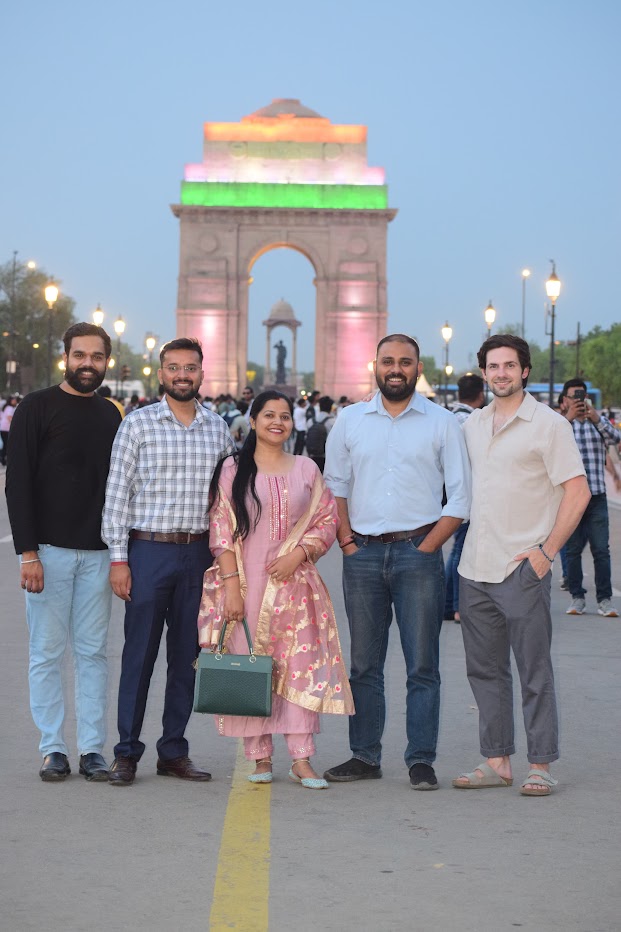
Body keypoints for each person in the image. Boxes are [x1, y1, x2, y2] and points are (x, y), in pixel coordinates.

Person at [323, 334, 471, 789]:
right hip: (362, 554)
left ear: (417, 368)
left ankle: (421, 758)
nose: (395, 369)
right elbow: (335, 489)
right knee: (364, 665)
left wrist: (427, 547)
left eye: (405, 362)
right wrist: (347, 542)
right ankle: (364, 755)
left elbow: (461, 498)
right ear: (375, 365)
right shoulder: (349, 421)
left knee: (421, 664)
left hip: (417, 554)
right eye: (388, 361)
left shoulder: (443, 423)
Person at [454, 335, 590, 797]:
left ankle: (539, 764)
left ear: (525, 371)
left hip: (522, 566)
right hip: (475, 565)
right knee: (484, 671)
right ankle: (496, 760)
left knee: (533, 670)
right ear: (484, 372)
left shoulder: (549, 425)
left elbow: (578, 491)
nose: (501, 374)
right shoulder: (472, 425)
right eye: (493, 367)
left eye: (510, 366)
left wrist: (546, 552)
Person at [199, 391, 353, 788]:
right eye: (269, 415)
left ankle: (302, 759)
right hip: (247, 587)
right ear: (253, 422)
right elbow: (221, 529)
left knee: (298, 669)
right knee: (253, 668)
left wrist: (300, 553)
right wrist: (231, 588)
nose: (278, 422)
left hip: (296, 587)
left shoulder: (305, 469)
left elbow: (325, 519)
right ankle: (260, 757)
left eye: (285, 416)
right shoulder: (234, 470)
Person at [102, 337, 235, 786]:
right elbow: (116, 497)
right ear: (161, 374)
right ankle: (126, 752)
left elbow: (226, 504)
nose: (182, 374)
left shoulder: (218, 429)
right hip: (148, 551)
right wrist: (119, 560)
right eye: (174, 367)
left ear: (202, 372)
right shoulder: (137, 425)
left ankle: (173, 750)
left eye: (190, 367)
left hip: (198, 554)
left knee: (186, 657)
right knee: (138, 656)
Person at [5, 323, 121, 781]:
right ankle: (53, 747)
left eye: (96, 356)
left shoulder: (112, 416)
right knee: (47, 653)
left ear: (106, 362)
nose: (87, 364)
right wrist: (27, 553)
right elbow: (18, 485)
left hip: (98, 554)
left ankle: (92, 748)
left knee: (93, 654)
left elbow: (120, 489)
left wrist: (120, 556)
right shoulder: (35, 407)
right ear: (65, 358)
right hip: (48, 554)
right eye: (79, 355)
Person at [559, 379, 621, 617]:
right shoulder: (562, 425)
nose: (577, 400)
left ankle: (605, 600)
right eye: (573, 396)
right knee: (573, 550)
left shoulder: (598, 423)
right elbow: (546, 444)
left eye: (581, 396)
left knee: (601, 550)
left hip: (596, 496)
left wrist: (595, 418)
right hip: (571, 499)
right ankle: (577, 598)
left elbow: (615, 438)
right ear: (565, 400)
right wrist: (569, 418)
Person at [444, 374, 486, 622]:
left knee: (458, 549)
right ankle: (457, 605)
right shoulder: (473, 421)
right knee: (462, 549)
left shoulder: (450, 418)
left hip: (452, 493)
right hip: (469, 495)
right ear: (480, 394)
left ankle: (449, 603)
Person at [305, 396, 336, 473]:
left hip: (312, 454)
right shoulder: (333, 422)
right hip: (326, 456)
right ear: (331, 407)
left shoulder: (311, 421)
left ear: (319, 406)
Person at [0, 395, 18, 465]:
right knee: (8, 444)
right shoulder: (10, 408)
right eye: (14, 400)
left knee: (5, 444)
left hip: (3, 428)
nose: (15, 401)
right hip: (6, 429)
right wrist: (15, 425)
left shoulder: (6, 407)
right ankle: (4, 460)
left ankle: (3, 459)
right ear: (11, 401)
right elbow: (9, 417)